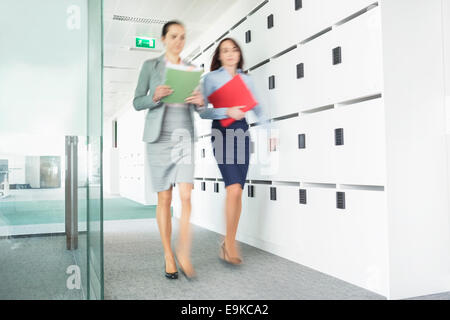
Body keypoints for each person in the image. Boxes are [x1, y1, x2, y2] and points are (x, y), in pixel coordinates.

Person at [133, 20, 204, 279]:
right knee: (165, 199)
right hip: (159, 138)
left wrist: (201, 101)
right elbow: (136, 101)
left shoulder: (193, 70)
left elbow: (203, 111)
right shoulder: (150, 66)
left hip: (183, 136)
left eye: (183, 37)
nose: (178, 41)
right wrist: (154, 96)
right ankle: (168, 254)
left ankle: (183, 252)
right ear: (163, 39)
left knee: (186, 196)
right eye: (174, 36)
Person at [199, 37, 273, 265]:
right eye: (225, 51)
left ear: (239, 54)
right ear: (219, 56)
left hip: (242, 133)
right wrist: (226, 111)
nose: (230, 54)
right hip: (221, 133)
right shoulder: (209, 79)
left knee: (237, 190)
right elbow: (202, 111)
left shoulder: (246, 80)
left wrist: (269, 132)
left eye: (234, 50)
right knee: (232, 188)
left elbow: (258, 109)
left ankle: (228, 240)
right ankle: (230, 243)